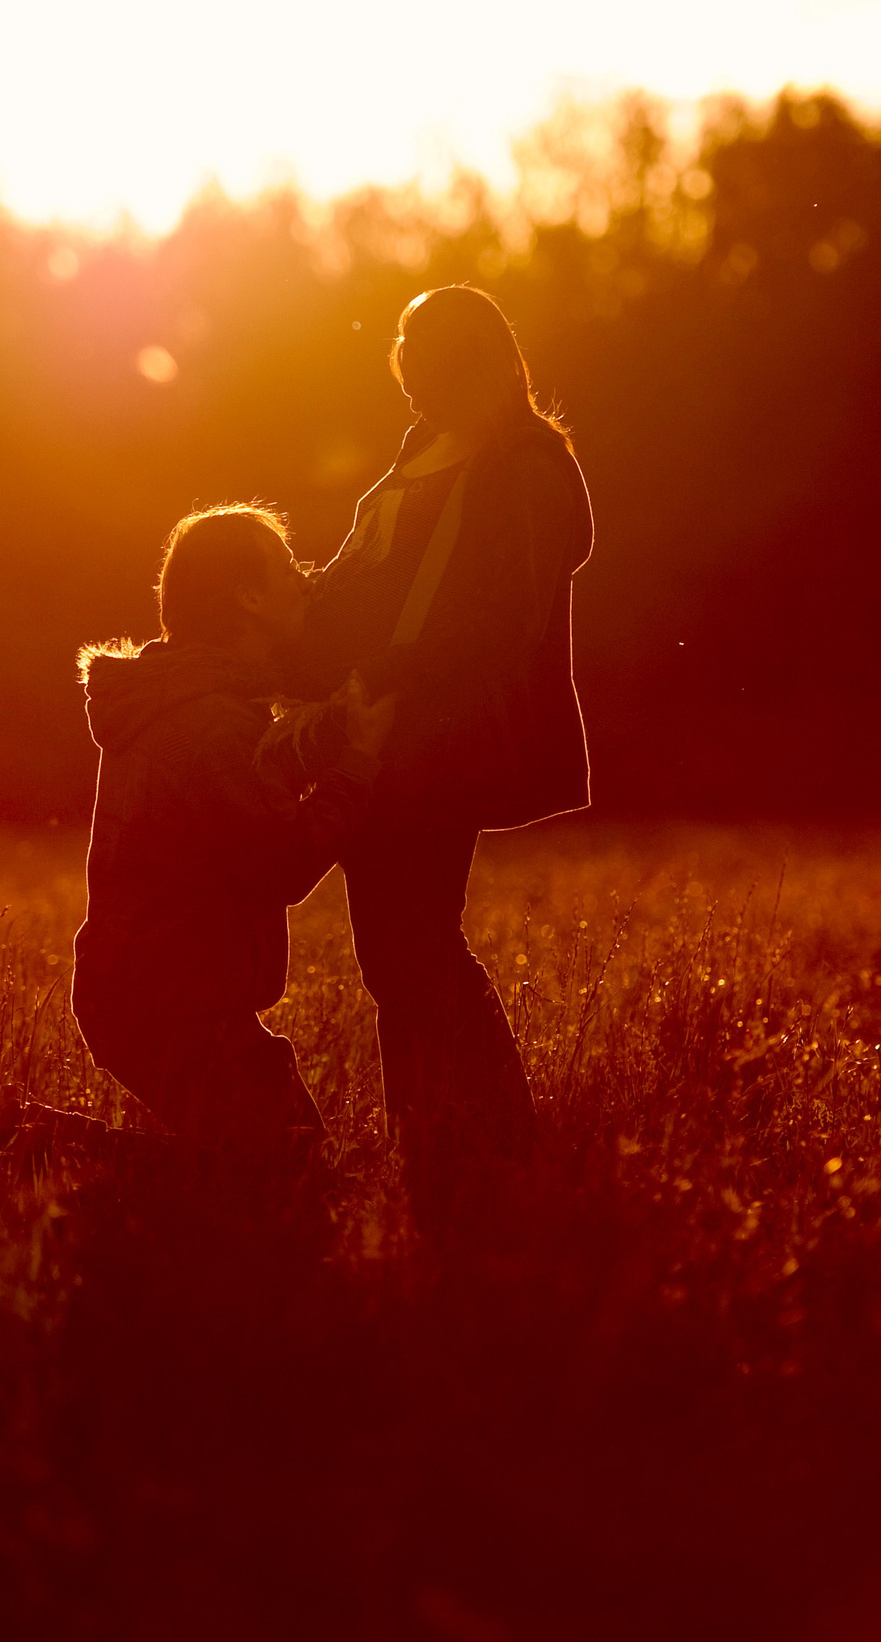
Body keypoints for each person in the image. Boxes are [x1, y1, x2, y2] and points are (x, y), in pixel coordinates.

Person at [294, 285, 593, 1219]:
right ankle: (434, 1147)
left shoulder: (529, 464)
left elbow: (505, 620)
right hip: (379, 727)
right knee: (393, 951)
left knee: (417, 942)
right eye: (406, 358)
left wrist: (393, 666)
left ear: (471, 360)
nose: (410, 377)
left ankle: (493, 1141)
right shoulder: (424, 447)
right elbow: (365, 574)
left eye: (425, 357)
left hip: (444, 734)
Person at [72, 504, 395, 1152]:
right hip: (171, 1004)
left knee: (260, 1162)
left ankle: (52, 1148)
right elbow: (284, 862)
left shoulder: (187, 699)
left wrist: (336, 728)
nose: (305, 580)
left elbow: (250, 786)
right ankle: (51, 1152)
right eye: (286, 567)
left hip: (148, 992)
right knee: (283, 1170)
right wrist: (359, 762)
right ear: (247, 597)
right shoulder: (210, 720)